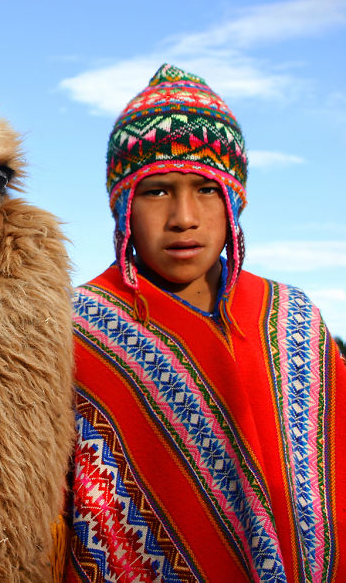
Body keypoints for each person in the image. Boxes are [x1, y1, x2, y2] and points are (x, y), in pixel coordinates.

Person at [67, 64, 345, 581]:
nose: (184, 217)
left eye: (206, 189)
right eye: (156, 191)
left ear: (233, 199)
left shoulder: (293, 318)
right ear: (123, 205)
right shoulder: (77, 328)